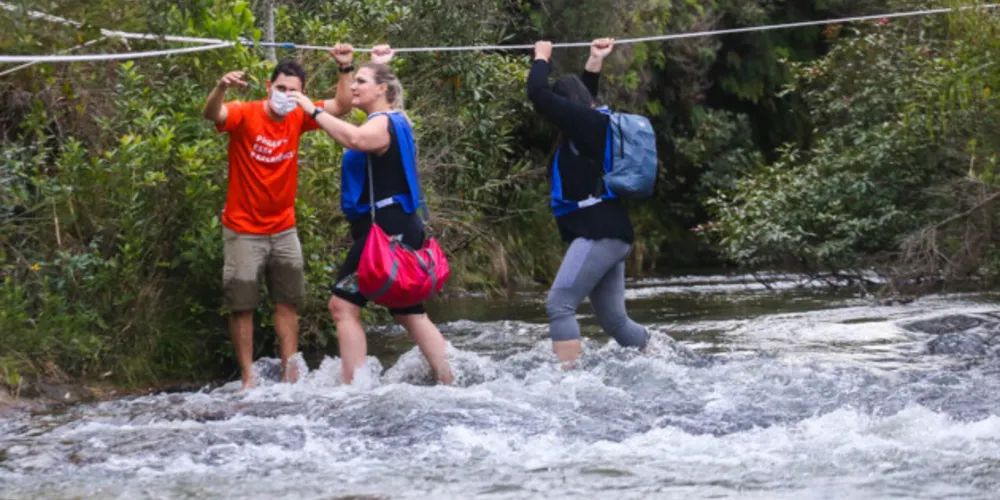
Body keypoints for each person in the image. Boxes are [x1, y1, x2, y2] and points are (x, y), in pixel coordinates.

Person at [287, 46, 454, 385]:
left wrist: (311, 109)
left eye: (361, 81)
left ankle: (355, 388)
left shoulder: (383, 123)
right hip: (399, 226)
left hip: (386, 231)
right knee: (408, 311)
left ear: (382, 90)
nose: (354, 86)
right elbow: (374, 106)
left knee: (342, 306)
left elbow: (354, 139)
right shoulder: (394, 119)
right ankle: (450, 379)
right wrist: (377, 65)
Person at [202, 44, 356, 389]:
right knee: (242, 306)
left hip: (284, 228)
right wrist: (221, 87)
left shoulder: (300, 114)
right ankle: (248, 379)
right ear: (269, 86)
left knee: (288, 302)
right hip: (243, 229)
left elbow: (343, 106)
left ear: (302, 94)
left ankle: (291, 376)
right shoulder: (245, 113)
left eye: (293, 91)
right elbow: (213, 114)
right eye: (281, 88)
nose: (286, 95)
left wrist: (345, 67)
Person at [527, 38, 649, 365]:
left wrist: (541, 57)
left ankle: (567, 380)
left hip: (599, 233)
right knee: (615, 322)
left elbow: (538, 93)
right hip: (610, 231)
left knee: (559, 305)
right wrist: (596, 59)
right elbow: (584, 94)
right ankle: (662, 356)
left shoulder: (585, 124)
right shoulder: (592, 124)